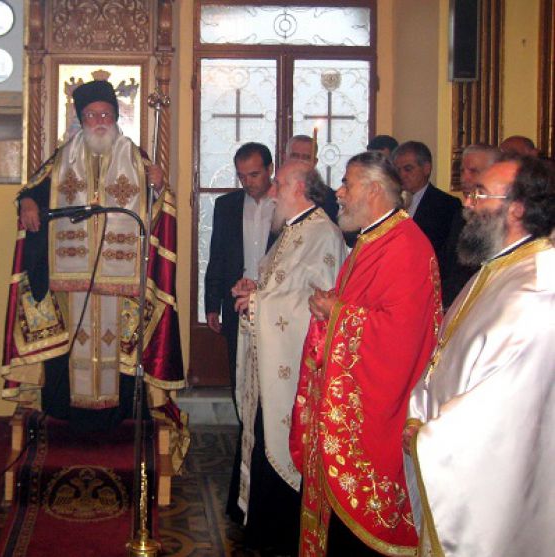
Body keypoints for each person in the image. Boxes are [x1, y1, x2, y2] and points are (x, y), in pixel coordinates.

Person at [2, 79, 184, 431]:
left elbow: (161, 211)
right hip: (71, 283)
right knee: (70, 346)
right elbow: (32, 191)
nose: (99, 121)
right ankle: (67, 416)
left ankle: (121, 416)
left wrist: (160, 185)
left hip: (123, 281)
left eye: (105, 114)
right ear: (80, 120)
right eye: (91, 115)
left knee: (121, 348)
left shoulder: (137, 158)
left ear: (116, 117)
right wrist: (26, 202)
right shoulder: (62, 159)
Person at [289, 151, 441, 556]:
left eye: (347, 184)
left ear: (373, 190)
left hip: (378, 414)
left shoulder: (405, 245)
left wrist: (336, 312)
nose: (339, 192)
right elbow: (367, 305)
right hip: (356, 402)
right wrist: (333, 304)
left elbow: (402, 336)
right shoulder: (373, 239)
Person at [405, 156, 555, 556]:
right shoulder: (498, 269)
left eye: (479, 194)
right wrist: (420, 411)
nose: (467, 204)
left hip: (494, 479)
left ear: (517, 209)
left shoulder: (536, 290)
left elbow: (503, 400)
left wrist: (430, 436)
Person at [230, 161, 347, 556]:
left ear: (299, 188)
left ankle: (280, 534)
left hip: (295, 365)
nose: (272, 191)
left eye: (278, 184)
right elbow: (282, 287)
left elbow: (320, 302)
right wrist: (255, 289)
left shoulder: (323, 233)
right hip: (273, 359)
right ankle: (260, 526)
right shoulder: (293, 229)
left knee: (281, 439)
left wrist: (259, 302)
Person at [207, 142, 275, 413]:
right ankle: (244, 427)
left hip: (275, 303)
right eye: (242, 176)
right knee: (240, 373)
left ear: (270, 169)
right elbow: (217, 257)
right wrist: (212, 304)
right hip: (237, 304)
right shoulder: (227, 206)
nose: (248, 182)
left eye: (254, 175)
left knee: (272, 373)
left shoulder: (287, 205)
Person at [438, 143, 501, 307]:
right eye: (462, 171)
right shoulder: (460, 216)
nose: (464, 179)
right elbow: (448, 266)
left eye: (473, 171)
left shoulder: (503, 222)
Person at [392, 140, 462, 257]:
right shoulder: (391, 203)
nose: (401, 175)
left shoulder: (447, 205)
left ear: (426, 168)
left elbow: (448, 252)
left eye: (408, 169)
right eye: (398, 170)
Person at [283, 134, 339, 222]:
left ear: (315, 162)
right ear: (285, 158)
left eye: (306, 158)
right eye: (295, 156)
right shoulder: (274, 191)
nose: (300, 162)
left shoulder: (327, 197)